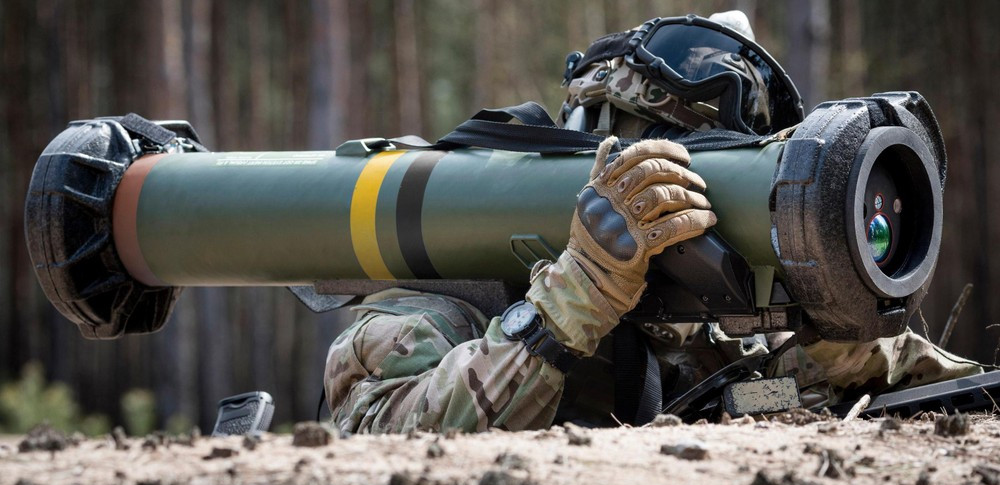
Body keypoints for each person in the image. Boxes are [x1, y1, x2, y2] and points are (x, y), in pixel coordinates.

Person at [322, 11, 981, 434]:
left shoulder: (705, 319)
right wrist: (574, 300)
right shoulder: (449, 295)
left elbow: (743, 399)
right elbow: (376, 432)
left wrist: (825, 349)